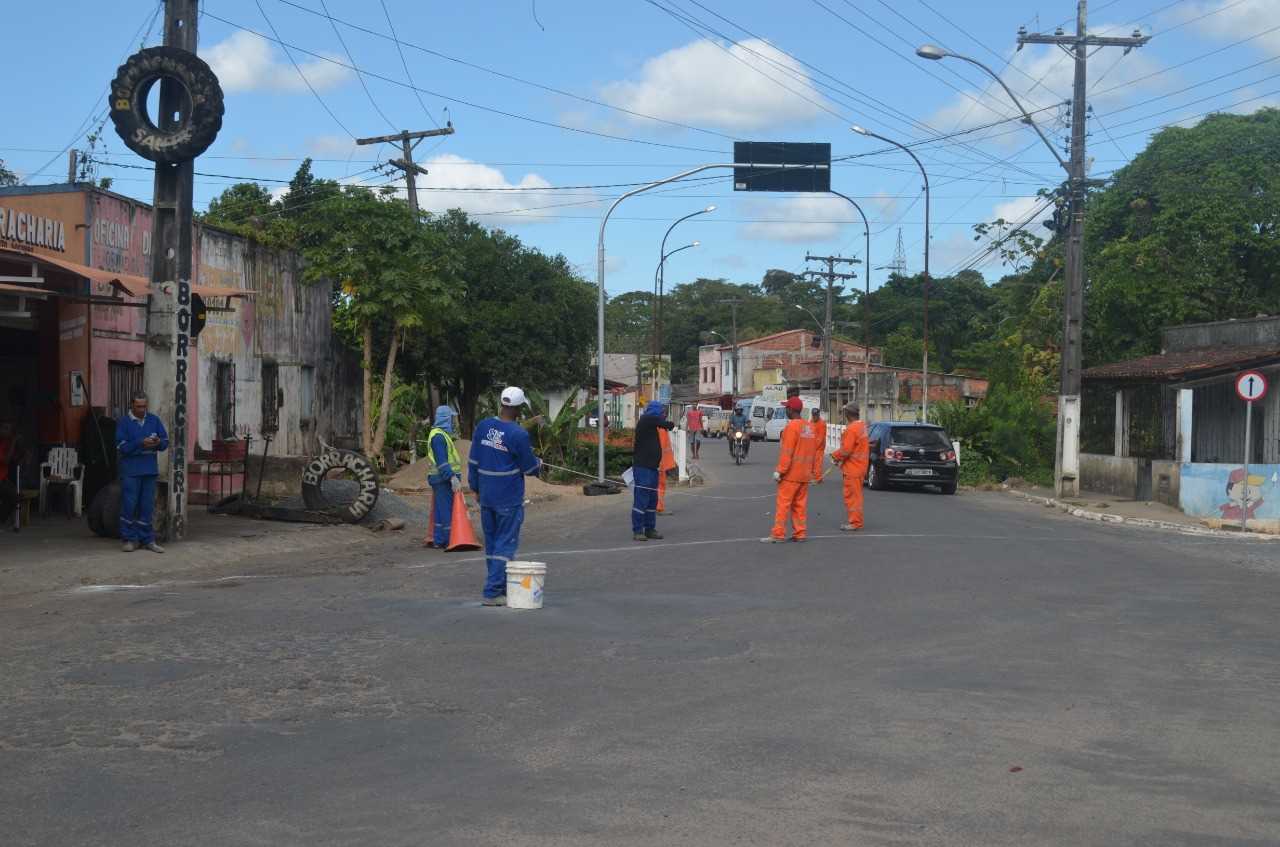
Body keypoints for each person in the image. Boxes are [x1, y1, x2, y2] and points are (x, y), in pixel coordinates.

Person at [468, 387, 542, 607]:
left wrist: (475, 487)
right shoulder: (518, 434)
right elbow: (529, 468)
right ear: (518, 408)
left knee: (492, 544)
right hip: (508, 497)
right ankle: (492, 592)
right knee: (505, 544)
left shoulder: (483, 426)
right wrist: (538, 464)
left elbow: (473, 461)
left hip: (486, 495)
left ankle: (497, 587)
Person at [115, 392, 169, 553]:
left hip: (149, 470)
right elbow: (121, 446)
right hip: (131, 471)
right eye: (138, 406)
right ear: (132, 405)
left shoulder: (154, 420)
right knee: (129, 505)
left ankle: (148, 540)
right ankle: (129, 539)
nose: (141, 409)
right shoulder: (124, 423)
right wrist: (140, 443)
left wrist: (158, 442)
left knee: (147, 506)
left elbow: (165, 441)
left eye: (144, 406)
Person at [763, 396, 821, 543]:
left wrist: (780, 471)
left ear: (790, 410)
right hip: (805, 474)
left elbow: (787, 452)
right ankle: (800, 533)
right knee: (799, 506)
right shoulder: (810, 427)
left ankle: (778, 534)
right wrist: (814, 472)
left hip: (790, 475)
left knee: (783, 504)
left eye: (786, 408)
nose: (786, 410)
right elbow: (815, 452)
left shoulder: (791, 427)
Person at [632, 400, 674, 541]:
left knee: (651, 501)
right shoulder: (647, 419)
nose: (663, 414)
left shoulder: (651, 423)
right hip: (642, 468)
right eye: (661, 412)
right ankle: (638, 530)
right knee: (641, 499)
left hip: (652, 468)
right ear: (655, 411)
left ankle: (650, 529)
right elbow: (667, 424)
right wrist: (671, 424)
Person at [425, 405, 464, 549]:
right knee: (446, 511)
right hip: (443, 479)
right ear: (445, 419)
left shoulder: (440, 435)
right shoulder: (438, 437)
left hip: (440, 479)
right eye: (451, 418)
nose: (453, 421)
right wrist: (452, 478)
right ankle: (449, 540)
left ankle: (439, 539)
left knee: (441, 510)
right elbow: (442, 462)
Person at [830, 402, 869, 532]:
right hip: (860, 466)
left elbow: (846, 450)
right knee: (855, 496)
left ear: (848, 414)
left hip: (853, 468)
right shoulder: (861, 426)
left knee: (852, 497)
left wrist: (835, 456)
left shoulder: (851, 429)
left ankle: (855, 522)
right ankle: (856, 521)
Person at [656, 424, 677, 515]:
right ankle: (658, 508)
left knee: (659, 485)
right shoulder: (660, 429)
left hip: (660, 464)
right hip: (660, 464)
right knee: (659, 485)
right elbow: (660, 448)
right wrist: (660, 464)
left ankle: (656, 507)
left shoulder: (659, 427)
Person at [0, 418, 17, 524]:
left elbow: (14, 459)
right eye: (5, 428)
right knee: (12, 496)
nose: (7, 431)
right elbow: (6, 460)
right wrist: (14, 443)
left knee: (15, 496)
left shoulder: (6, 442)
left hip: (3, 479)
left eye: (9, 429)